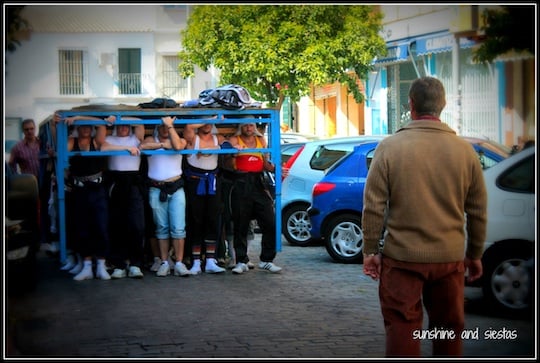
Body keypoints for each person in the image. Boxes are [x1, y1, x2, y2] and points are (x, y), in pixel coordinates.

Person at [361, 76, 487, 357]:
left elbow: (373, 205)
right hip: (449, 258)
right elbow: (477, 209)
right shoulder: (465, 151)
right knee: (448, 329)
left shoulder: (390, 147)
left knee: (402, 326)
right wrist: (475, 253)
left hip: (402, 258)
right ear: (442, 106)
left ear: (411, 105)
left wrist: (370, 250)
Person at [53, 113, 112, 281]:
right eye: (82, 126)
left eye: (87, 126)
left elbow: (101, 124)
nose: (85, 129)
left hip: (98, 189)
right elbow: (61, 146)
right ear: (77, 129)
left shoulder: (96, 141)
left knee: (101, 226)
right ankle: (86, 266)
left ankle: (101, 265)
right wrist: (57, 125)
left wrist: (80, 117)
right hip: (80, 190)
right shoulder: (73, 142)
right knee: (83, 228)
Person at [225, 120, 282, 274]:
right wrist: (233, 154)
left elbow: (265, 163)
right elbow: (228, 165)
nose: (248, 128)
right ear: (240, 127)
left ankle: (267, 260)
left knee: (270, 222)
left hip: (258, 182)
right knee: (240, 224)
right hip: (240, 182)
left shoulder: (261, 140)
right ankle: (241, 260)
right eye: (245, 125)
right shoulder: (234, 140)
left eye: (251, 125)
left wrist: (277, 169)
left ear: (255, 127)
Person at [140, 116, 190, 277]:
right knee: (161, 227)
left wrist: (170, 127)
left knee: (178, 227)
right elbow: (142, 146)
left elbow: (177, 146)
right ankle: (164, 262)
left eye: (167, 126)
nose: (164, 129)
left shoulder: (178, 138)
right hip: (156, 188)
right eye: (162, 126)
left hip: (175, 187)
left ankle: (179, 263)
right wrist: (162, 145)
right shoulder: (150, 138)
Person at [100, 117, 146, 279]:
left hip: (133, 182)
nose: (124, 127)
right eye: (120, 125)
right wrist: (128, 148)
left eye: (126, 125)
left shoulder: (136, 138)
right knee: (117, 224)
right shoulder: (110, 138)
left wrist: (120, 116)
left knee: (136, 225)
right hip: (116, 182)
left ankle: (135, 264)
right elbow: (103, 148)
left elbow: (139, 122)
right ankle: (119, 264)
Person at [183, 122, 226, 274]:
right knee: (196, 220)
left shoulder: (217, 137)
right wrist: (208, 118)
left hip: (212, 182)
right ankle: (195, 261)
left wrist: (207, 150)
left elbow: (227, 146)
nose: (207, 125)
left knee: (212, 219)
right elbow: (188, 127)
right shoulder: (192, 138)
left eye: (210, 122)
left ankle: (210, 260)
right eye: (204, 122)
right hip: (195, 182)